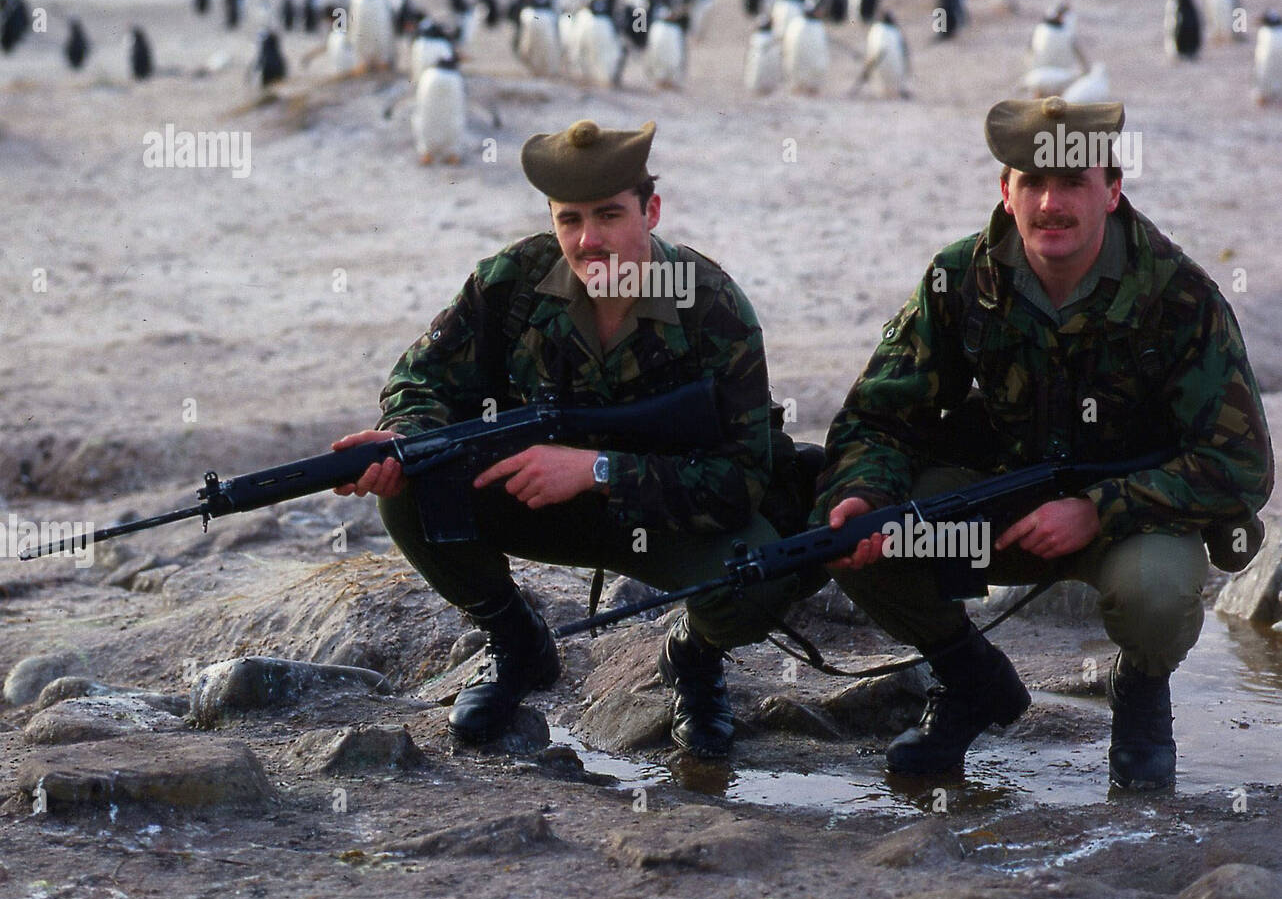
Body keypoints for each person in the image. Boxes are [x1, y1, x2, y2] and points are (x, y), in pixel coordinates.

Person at [814, 96, 1273, 789]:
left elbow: (1240, 464)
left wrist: (1100, 508)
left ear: (1112, 191)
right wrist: (862, 492)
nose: (1050, 203)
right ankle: (971, 679)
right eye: (1033, 181)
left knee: (1153, 593)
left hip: (1124, 527)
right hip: (997, 516)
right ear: (1006, 190)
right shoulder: (960, 277)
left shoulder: (1179, 296)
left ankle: (1142, 692)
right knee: (864, 538)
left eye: (1072, 182)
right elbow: (877, 416)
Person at [331, 118, 807, 756]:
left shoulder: (711, 306)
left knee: (763, 571)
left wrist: (598, 469)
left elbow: (742, 479)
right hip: (537, 502)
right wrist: (404, 438)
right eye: (569, 220)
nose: (589, 241)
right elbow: (423, 381)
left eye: (609, 216)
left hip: (666, 515)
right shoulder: (512, 281)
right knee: (414, 489)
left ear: (652, 211)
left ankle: (694, 658)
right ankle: (517, 644)